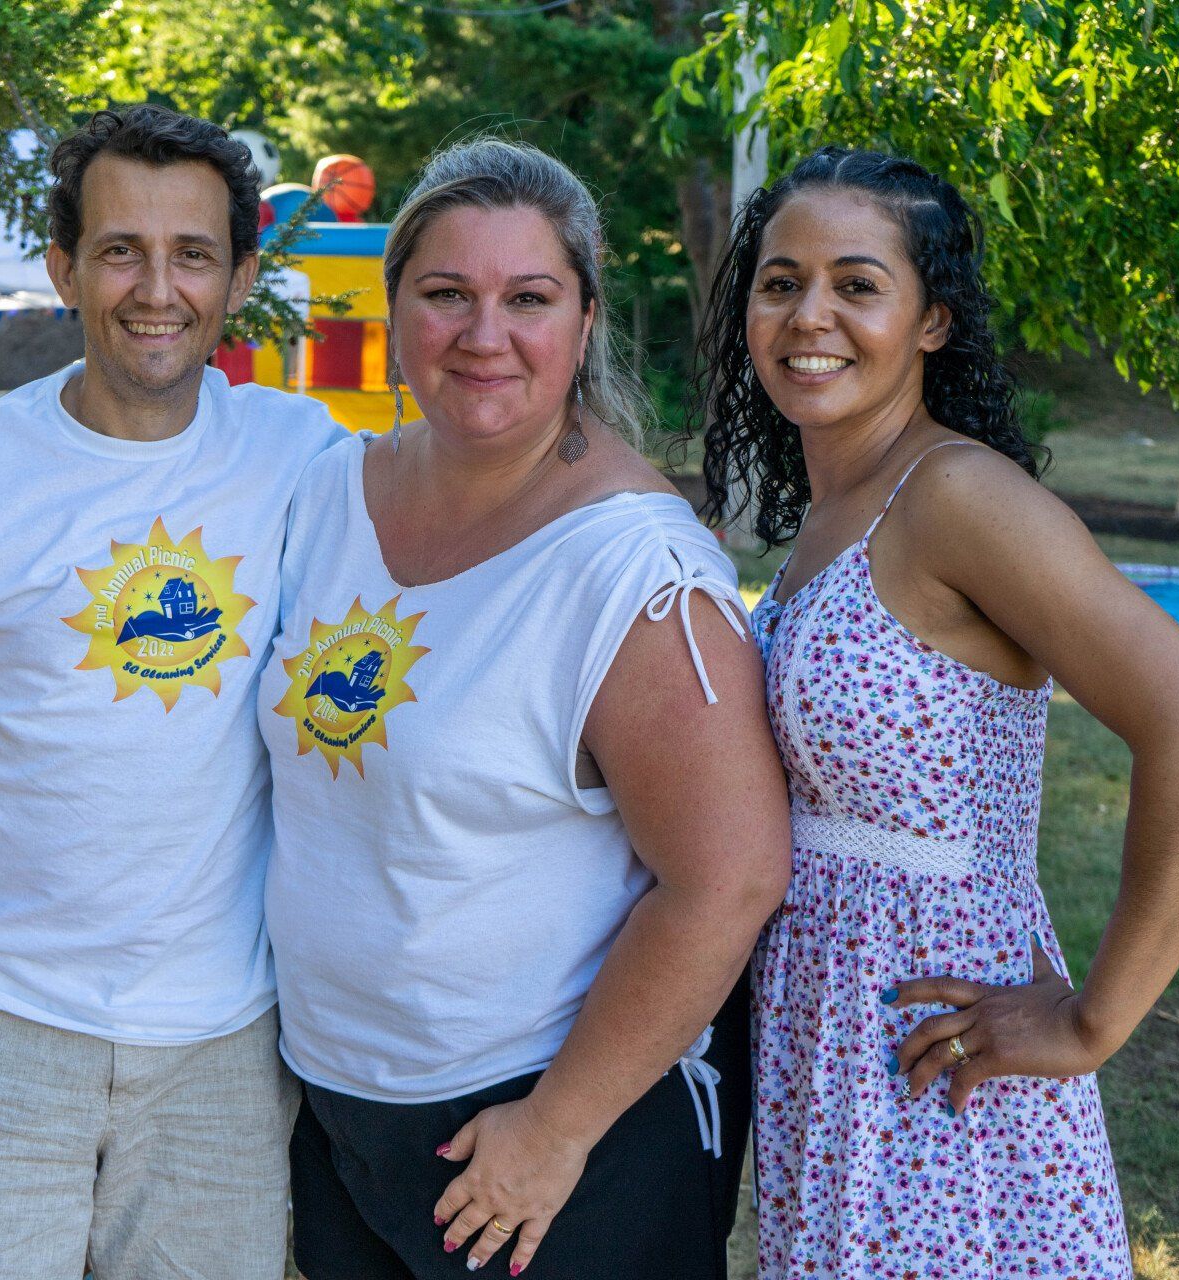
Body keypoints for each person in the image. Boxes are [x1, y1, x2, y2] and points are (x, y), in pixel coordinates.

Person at [689, 147, 1179, 1278]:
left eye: (858, 284)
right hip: (827, 1030)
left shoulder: (954, 495)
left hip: (936, 1037)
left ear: (932, 319)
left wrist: (1092, 1020)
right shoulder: (831, 504)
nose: (811, 314)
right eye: (780, 280)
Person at [259, 139, 792, 1280]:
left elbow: (731, 876)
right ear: (394, 306)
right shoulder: (326, 495)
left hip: (554, 1135)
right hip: (344, 1107)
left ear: (586, 321)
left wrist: (554, 1132)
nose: (483, 334)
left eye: (529, 298)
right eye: (446, 294)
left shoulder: (635, 570)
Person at [0, 104, 342, 1280]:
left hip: (227, 1038)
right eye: (121, 249)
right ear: (64, 268)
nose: (155, 287)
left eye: (193, 254)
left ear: (241, 275)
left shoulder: (308, 455)